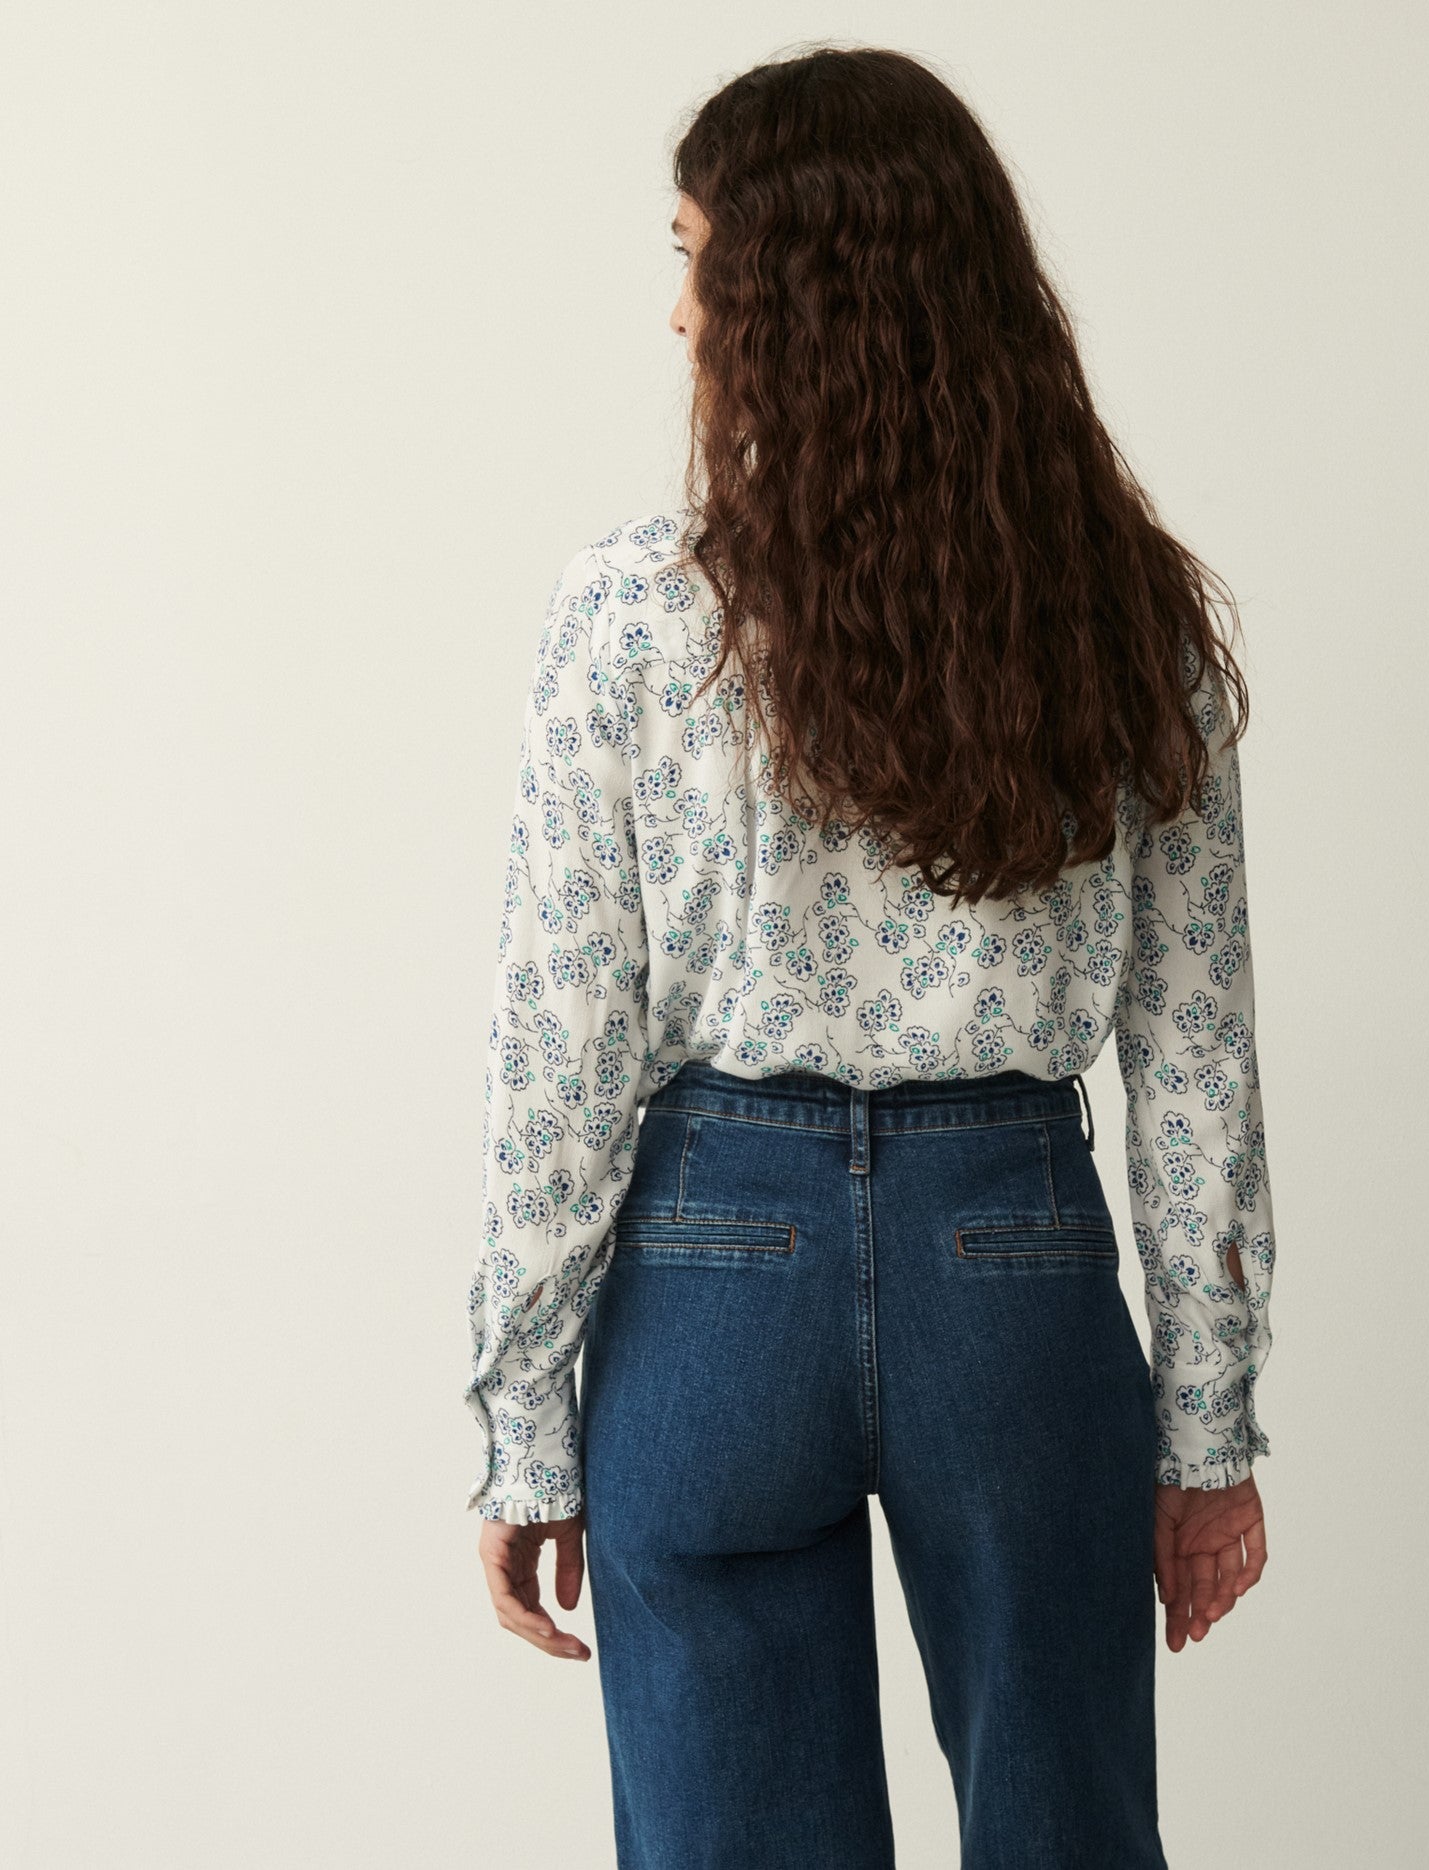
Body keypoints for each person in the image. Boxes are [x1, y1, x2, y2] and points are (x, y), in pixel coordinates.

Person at [463, 43, 1277, 1870]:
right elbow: (1196, 1056)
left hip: (710, 1272)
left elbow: (560, 1049)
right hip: (1013, 1262)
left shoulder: (631, 616)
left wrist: (522, 1423)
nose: (678, 314)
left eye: (697, 263)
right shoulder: (1122, 620)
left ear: (789, 302)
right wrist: (1209, 1425)